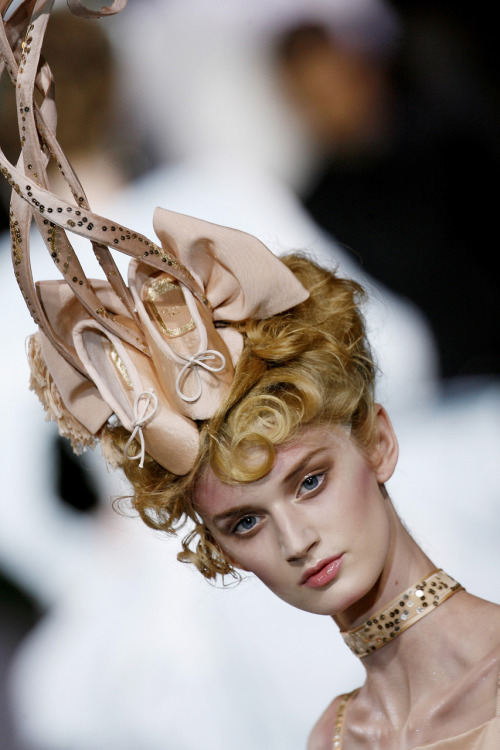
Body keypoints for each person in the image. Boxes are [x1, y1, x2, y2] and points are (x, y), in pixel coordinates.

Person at [1, 3, 499, 749]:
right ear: (115, 88)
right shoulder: (210, 198)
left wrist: (119, 555)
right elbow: (403, 345)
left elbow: (17, 518)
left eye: (308, 483)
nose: (300, 539)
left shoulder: (21, 292)